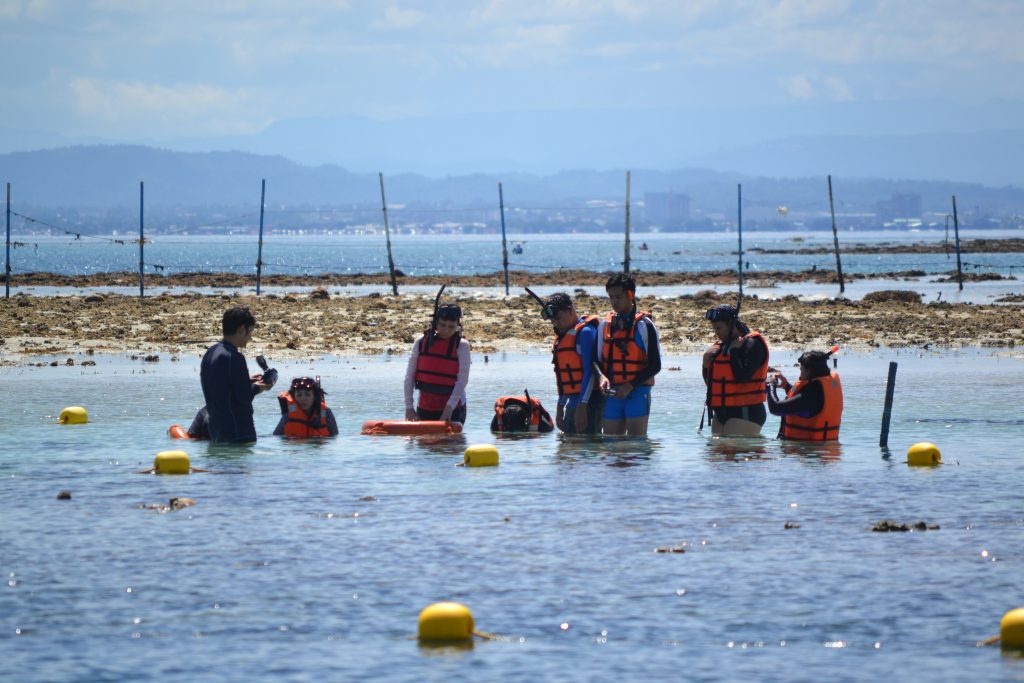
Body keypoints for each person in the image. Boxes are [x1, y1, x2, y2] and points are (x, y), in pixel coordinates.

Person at [595, 273, 661, 437]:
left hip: (638, 392)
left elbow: (655, 365)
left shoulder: (645, 326)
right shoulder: (605, 325)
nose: (614, 302)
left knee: (636, 445)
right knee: (610, 445)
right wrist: (602, 377)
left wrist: (630, 386)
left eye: (618, 297)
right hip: (614, 394)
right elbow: (596, 361)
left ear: (630, 295)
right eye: (611, 297)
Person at [199, 306, 272, 444]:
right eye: (250, 331)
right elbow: (244, 397)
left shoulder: (210, 353)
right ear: (241, 329)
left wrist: (247, 380)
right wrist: (258, 387)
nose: (250, 337)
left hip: (216, 432)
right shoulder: (235, 357)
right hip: (239, 434)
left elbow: (220, 385)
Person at [702, 304, 769, 436]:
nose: (716, 332)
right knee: (715, 453)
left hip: (746, 412)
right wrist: (705, 363)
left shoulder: (752, 344)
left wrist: (734, 351)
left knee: (733, 448)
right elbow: (710, 383)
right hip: (720, 413)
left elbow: (742, 377)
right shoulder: (721, 347)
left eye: (719, 328)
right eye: (714, 328)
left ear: (731, 325)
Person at [544, 292, 603, 435]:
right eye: (553, 321)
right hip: (574, 400)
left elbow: (591, 372)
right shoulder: (563, 337)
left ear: (571, 311)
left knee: (582, 448)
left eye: (559, 319)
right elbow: (564, 377)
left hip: (591, 400)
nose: (556, 324)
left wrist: (582, 406)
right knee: (569, 447)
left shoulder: (586, 332)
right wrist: (560, 407)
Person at [405, 302, 471, 424]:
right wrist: (409, 407)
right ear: (435, 322)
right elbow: (409, 376)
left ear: (458, 325)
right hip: (425, 406)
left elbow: (462, 381)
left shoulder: (462, 346)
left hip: (454, 407)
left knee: (450, 442)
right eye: (442, 325)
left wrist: (449, 408)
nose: (446, 330)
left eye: (451, 327)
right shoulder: (420, 342)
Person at [767, 350, 843, 441]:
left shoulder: (811, 395)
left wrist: (771, 385)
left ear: (809, 370)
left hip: (808, 451)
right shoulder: (821, 388)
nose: (800, 375)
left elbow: (775, 408)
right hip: (823, 450)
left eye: (801, 369)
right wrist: (787, 386)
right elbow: (801, 402)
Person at [273, 376, 339, 437]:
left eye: (307, 395)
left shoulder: (326, 413)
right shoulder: (288, 415)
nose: (303, 399)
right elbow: (276, 437)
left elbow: (335, 437)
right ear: (294, 396)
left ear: (315, 396)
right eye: (299, 395)